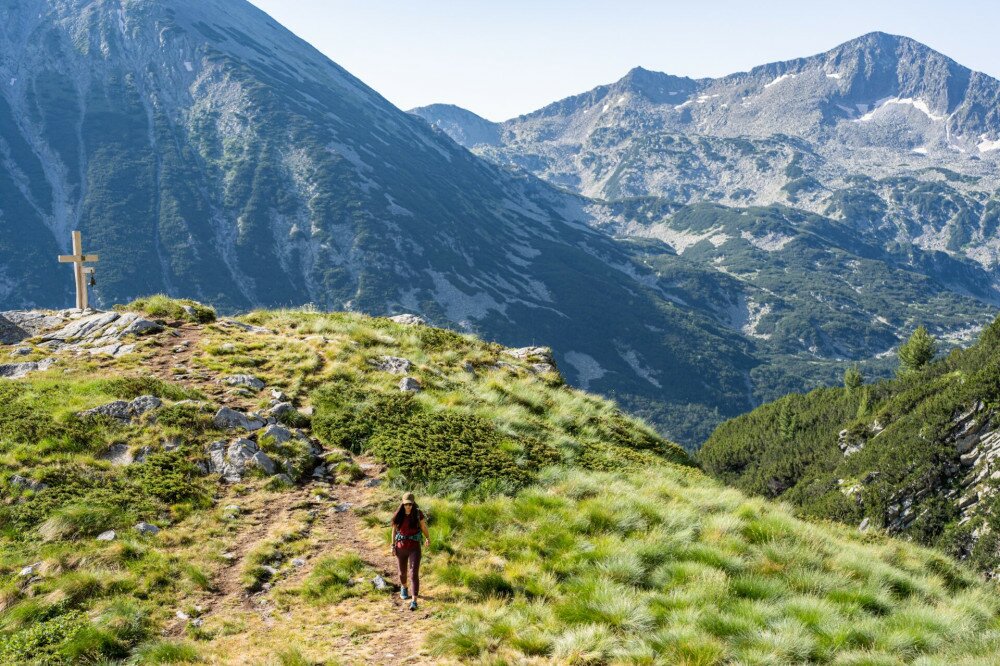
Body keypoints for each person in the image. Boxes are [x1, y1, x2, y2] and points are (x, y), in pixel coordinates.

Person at [391, 492, 430, 611]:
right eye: (406, 504)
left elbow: (423, 527)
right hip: (400, 548)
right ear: (402, 504)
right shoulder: (398, 515)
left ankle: (414, 601)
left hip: (414, 548)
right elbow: (393, 531)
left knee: (414, 574)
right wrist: (392, 545)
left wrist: (428, 538)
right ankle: (404, 587)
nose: (408, 506)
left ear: (413, 504)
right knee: (402, 573)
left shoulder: (418, 514)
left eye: (410, 504)